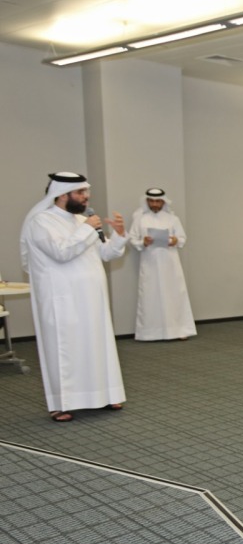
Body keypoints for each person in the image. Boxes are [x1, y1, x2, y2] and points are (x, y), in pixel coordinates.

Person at [19, 172, 127, 422]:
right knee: (64, 349)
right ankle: (62, 403)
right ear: (61, 195)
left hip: (92, 298)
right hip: (62, 299)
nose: (86, 197)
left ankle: (103, 395)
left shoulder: (83, 221)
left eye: (86, 192)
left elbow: (106, 254)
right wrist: (87, 229)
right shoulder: (41, 222)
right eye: (80, 193)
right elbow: (61, 252)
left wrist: (119, 235)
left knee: (96, 344)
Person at [127, 188, 196, 341]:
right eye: (151, 201)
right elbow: (132, 239)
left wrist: (175, 240)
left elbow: (182, 238)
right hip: (149, 262)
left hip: (170, 263)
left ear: (163, 202)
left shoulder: (172, 219)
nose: (155, 204)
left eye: (158, 201)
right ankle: (149, 333)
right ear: (147, 201)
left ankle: (179, 330)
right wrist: (142, 242)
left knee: (174, 295)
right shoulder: (140, 218)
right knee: (150, 296)